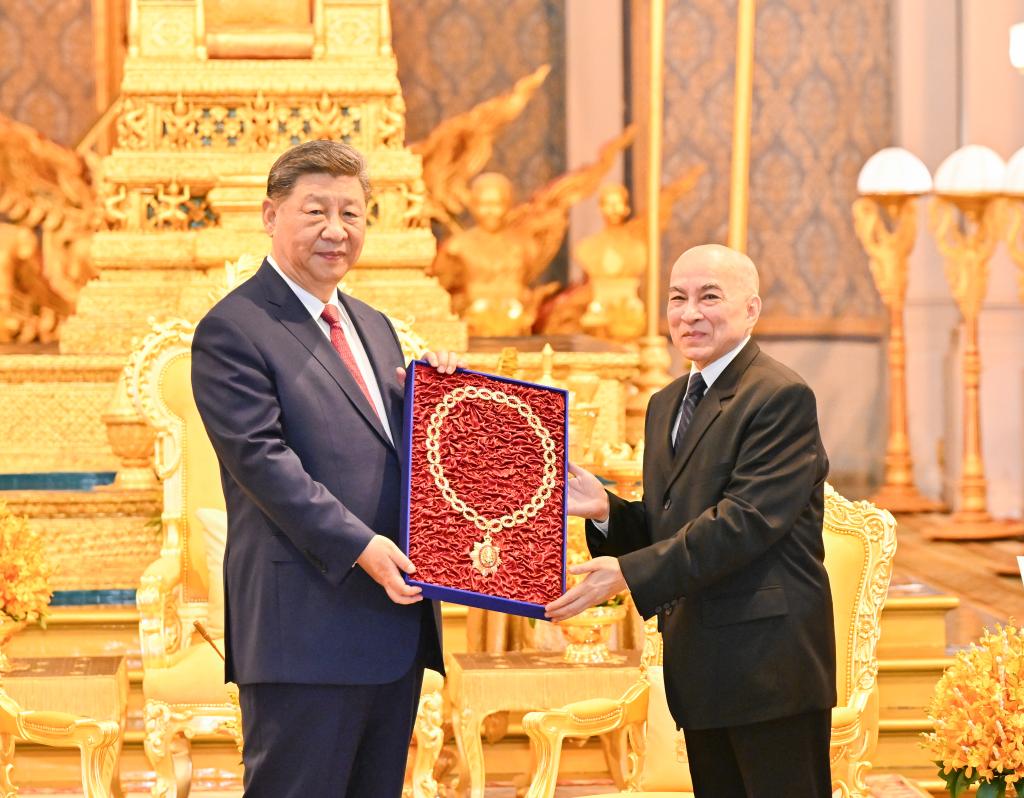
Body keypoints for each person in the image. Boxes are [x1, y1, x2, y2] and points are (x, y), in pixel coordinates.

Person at [191, 140, 460, 798]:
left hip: (391, 626)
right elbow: (264, 462)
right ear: (270, 215)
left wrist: (445, 400)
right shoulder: (234, 329)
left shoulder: (374, 326)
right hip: (303, 633)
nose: (336, 230)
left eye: (351, 213)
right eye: (316, 211)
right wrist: (362, 546)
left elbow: (394, 449)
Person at [546, 244, 836, 798]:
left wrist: (628, 573)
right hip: (702, 666)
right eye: (677, 298)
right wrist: (607, 509)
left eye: (710, 297)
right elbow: (673, 522)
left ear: (751, 309)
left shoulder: (780, 396)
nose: (689, 313)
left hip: (769, 667)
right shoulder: (667, 402)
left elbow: (743, 523)